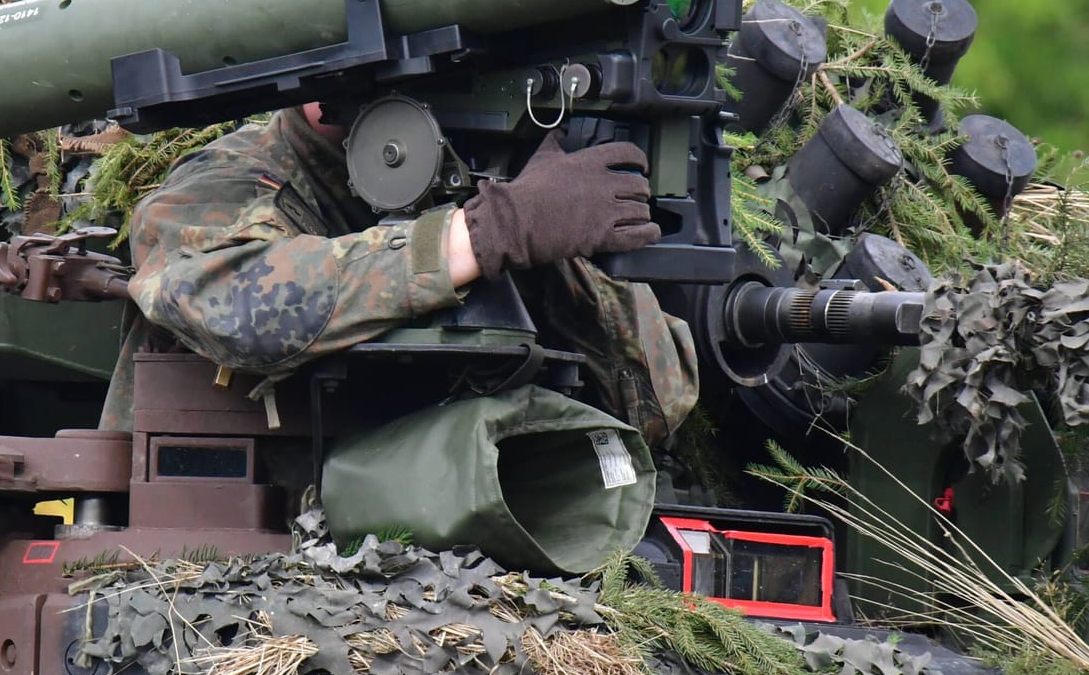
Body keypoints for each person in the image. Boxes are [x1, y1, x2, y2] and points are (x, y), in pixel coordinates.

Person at [97, 103, 699, 450]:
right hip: (217, 568)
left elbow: (657, 402)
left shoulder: (477, 178)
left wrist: (543, 242)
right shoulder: (229, 179)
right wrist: (483, 235)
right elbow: (245, 310)